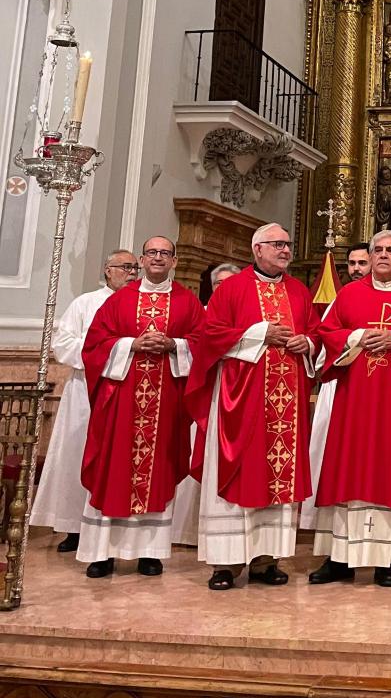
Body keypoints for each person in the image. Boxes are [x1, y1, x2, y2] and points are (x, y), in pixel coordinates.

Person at [187, 223, 319, 590]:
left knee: (277, 477)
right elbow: (209, 335)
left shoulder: (298, 291)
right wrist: (262, 333)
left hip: (285, 405)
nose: (286, 250)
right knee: (236, 472)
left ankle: (266, 559)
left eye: (288, 244)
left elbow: (316, 332)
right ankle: (225, 563)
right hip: (239, 401)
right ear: (257, 249)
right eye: (278, 245)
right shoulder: (231, 288)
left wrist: (305, 343)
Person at [310, 231, 391, 586]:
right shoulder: (350, 294)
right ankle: (339, 559)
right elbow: (326, 332)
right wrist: (357, 337)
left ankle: (388, 561)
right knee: (345, 469)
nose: (383, 256)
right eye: (377, 250)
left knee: (390, 470)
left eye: (390, 251)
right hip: (353, 402)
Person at [77, 237, 204, 578]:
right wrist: (130, 344)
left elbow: (202, 344)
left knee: (159, 470)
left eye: (165, 253)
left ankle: (150, 552)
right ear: (142, 260)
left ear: (174, 261)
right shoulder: (120, 300)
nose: (158, 258)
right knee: (112, 468)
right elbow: (94, 344)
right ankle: (101, 552)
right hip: (122, 402)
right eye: (152, 253)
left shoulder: (187, 302)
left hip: (165, 404)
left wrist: (174, 344)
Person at [30, 249, 139, 551]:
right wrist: (109, 351)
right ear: (107, 270)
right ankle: (73, 527)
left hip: (127, 391)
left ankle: (117, 527)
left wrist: (119, 350)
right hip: (85, 392)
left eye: (134, 267)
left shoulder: (141, 305)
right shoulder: (85, 304)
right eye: (125, 267)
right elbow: (63, 344)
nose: (131, 273)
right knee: (78, 454)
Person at [171, 262, 242, 548]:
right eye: (218, 284)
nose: (224, 290)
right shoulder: (201, 315)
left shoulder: (243, 317)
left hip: (233, 397)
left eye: (230, 284)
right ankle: (187, 530)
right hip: (205, 397)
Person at [300, 242, 369, 534]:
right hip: (340, 385)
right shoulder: (340, 300)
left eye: (361, 263)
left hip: (378, 390)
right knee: (332, 453)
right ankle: (327, 527)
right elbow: (324, 337)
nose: (355, 269)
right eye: (351, 264)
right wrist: (355, 340)